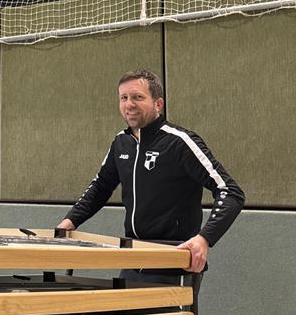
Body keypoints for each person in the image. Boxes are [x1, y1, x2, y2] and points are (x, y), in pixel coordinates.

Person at [57, 69, 244, 299]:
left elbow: (231, 192)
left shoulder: (179, 142)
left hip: (173, 261)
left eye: (137, 97)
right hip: (133, 258)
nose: (129, 104)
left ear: (158, 104)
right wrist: (69, 221)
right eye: (123, 98)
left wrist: (204, 238)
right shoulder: (121, 143)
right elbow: (100, 187)